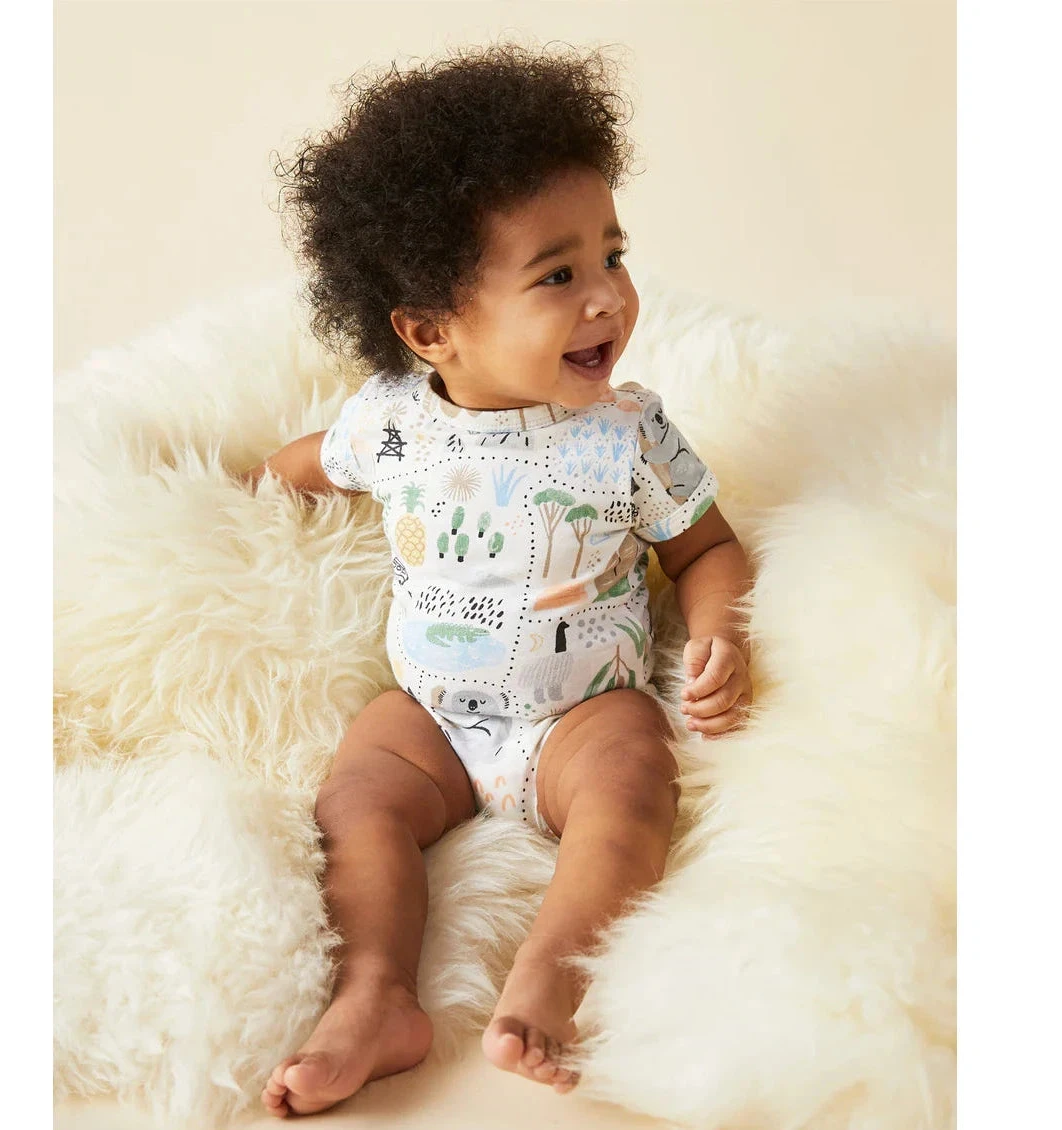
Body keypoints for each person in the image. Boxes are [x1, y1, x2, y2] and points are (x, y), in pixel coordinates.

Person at [248, 43, 754, 1118]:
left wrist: (719, 634)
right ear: (431, 330)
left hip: (579, 715)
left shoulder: (627, 434)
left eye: (611, 255)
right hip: (431, 717)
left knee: (633, 770)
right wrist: (235, 487)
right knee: (356, 797)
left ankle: (553, 970)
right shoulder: (391, 424)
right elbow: (305, 466)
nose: (607, 297)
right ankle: (376, 993)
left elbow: (705, 548)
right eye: (557, 275)